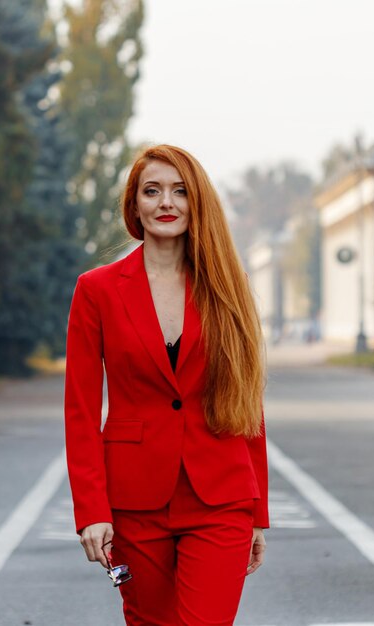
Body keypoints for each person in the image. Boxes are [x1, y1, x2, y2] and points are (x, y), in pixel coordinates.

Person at [64, 144, 269, 626]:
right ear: (134, 205)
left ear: (197, 203)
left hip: (220, 498)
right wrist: (91, 510)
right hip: (133, 504)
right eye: (151, 191)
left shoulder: (227, 284)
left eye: (180, 191)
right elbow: (80, 409)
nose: (166, 203)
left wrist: (258, 510)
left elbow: (247, 400)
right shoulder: (95, 290)